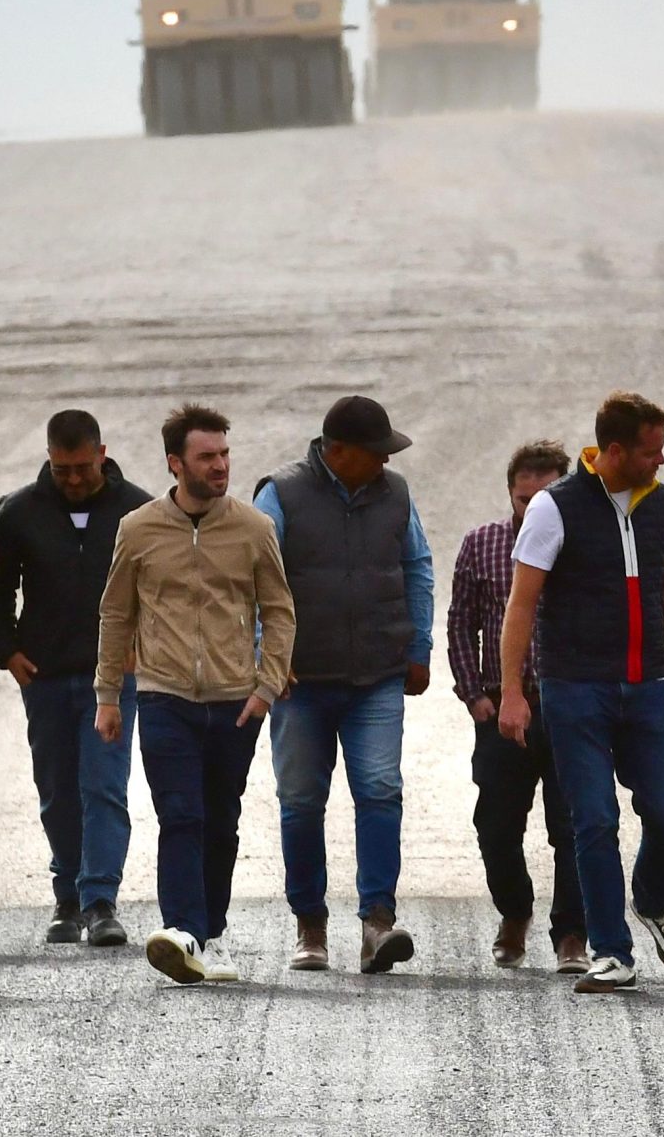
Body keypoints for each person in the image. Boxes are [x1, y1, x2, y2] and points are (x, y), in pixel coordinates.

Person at [498, 393, 664, 994]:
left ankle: (652, 901)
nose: (662, 461)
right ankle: (611, 953)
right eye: (652, 451)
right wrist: (512, 693)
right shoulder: (555, 507)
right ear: (616, 451)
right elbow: (521, 604)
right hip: (574, 691)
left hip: (649, 686)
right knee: (593, 821)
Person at [99, 405, 295, 985]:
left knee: (221, 818)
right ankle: (182, 928)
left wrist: (267, 686)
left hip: (237, 701)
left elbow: (279, 611)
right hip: (163, 695)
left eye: (224, 455)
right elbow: (116, 613)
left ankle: (204, 931)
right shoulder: (138, 529)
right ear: (175, 463)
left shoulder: (254, 529)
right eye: (207, 457)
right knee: (180, 814)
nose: (220, 466)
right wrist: (108, 694)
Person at [255, 395, 433, 975]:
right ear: (336, 452)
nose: (385, 461)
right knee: (301, 801)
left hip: (377, 675)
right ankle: (310, 925)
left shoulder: (396, 493)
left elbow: (418, 565)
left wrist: (420, 644)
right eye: (375, 452)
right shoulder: (279, 495)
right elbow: (255, 577)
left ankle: (377, 924)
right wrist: (268, 659)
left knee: (380, 790)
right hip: (301, 681)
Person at [0, 409, 152, 948]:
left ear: (102, 453)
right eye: (62, 470)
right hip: (47, 676)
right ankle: (67, 899)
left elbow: (162, 586)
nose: (73, 479)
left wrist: (140, 647)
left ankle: (100, 901)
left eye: (81, 467)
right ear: (48, 459)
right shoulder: (19, 513)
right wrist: (5, 650)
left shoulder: (138, 510)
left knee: (103, 786)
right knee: (57, 790)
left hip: (113, 680)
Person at [448, 440, 588, 974]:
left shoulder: (579, 544)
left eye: (544, 496)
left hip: (570, 705)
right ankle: (514, 912)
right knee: (497, 825)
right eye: (523, 496)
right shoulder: (483, 544)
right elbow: (461, 622)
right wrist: (476, 696)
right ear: (510, 493)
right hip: (505, 707)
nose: (532, 508)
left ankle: (572, 933)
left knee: (573, 824)